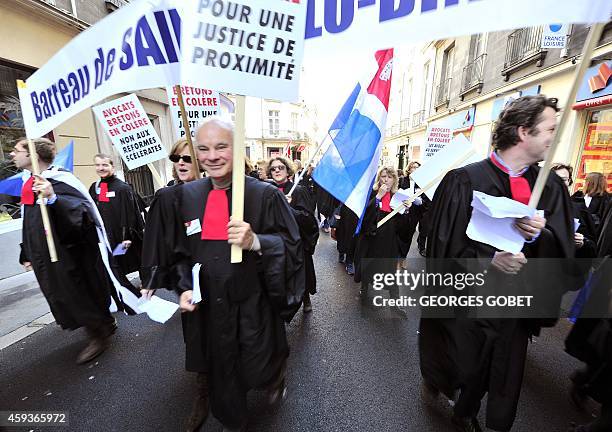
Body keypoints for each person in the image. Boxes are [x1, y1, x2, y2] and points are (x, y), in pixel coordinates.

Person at [419, 95, 575, 432]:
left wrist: (539, 236)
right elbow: (443, 249)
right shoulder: (464, 180)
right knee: (467, 365)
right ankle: (462, 405)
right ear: (523, 131)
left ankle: (483, 417)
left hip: (516, 305)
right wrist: (490, 262)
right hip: (471, 301)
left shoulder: (550, 186)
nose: (555, 135)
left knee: (505, 370)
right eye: (549, 128)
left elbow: (563, 250)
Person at [142, 117, 305, 432]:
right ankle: (236, 422)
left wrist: (256, 241)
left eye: (221, 147)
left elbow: (292, 247)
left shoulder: (265, 194)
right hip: (211, 309)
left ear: (236, 147)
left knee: (258, 366)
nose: (211, 156)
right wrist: (185, 287)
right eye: (203, 148)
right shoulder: (187, 196)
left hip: (254, 305)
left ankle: (274, 374)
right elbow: (180, 254)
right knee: (224, 379)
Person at [11, 138, 119, 365]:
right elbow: (28, 221)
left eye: (17, 150)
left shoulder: (60, 180)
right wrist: (26, 252)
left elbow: (80, 215)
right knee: (65, 293)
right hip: (46, 255)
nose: (12, 154)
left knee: (79, 291)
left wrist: (53, 198)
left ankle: (98, 334)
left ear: (33, 155)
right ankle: (104, 323)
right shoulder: (28, 183)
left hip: (71, 254)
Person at [89, 154, 145, 297]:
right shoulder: (96, 188)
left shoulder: (123, 188)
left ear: (112, 167)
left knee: (136, 261)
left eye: (105, 165)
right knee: (115, 264)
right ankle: (125, 293)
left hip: (125, 236)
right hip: (108, 236)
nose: (101, 168)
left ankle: (145, 286)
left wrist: (126, 237)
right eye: (98, 165)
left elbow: (130, 214)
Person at [267, 156, 319, 312]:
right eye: (273, 168)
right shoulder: (267, 191)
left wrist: (288, 209)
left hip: (295, 241)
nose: (277, 170)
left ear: (287, 170)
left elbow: (309, 219)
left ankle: (305, 297)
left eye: (280, 167)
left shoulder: (298, 190)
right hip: (276, 241)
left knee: (300, 272)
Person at [354, 166, 411, 298]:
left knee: (388, 268)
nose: (386, 180)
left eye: (390, 177)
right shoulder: (372, 193)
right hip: (371, 237)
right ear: (379, 178)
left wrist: (406, 211)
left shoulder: (398, 196)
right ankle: (365, 287)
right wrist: (378, 197)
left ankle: (394, 298)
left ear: (394, 180)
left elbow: (402, 226)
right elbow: (365, 216)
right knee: (368, 264)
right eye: (383, 176)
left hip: (388, 238)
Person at [552, 163, 597, 257]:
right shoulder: (538, 205)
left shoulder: (579, 208)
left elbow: (592, 244)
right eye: (556, 179)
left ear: (569, 181)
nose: (560, 183)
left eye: (563, 179)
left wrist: (582, 242)